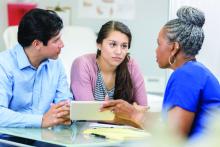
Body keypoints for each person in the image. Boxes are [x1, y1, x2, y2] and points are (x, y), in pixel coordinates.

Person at [101, 6, 220, 139]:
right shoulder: (194, 71)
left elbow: (174, 135)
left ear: (174, 47)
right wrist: (129, 114)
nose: (156, 50)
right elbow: (167, 119)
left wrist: (134, 114)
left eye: (159, 44)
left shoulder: (186, 74)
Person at [0, 8, 73, 128]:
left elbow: (64, 101)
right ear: (37, 44)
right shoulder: (3, 64)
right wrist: (41, 120)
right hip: (9, 140)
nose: (62, 44)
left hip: (47, 138)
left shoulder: (56, 64)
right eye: (56, 40)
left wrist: (67, 112)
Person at [71, 20, 148, 127]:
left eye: (124, 46)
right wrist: (130, 114)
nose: (119, 51)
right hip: (87, 135)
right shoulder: (82, 64)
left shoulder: (131, 65)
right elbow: (88, 114)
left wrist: (104, 113)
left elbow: (143, 109)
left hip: (122, 135)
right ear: (99, 44)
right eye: (112, 44)